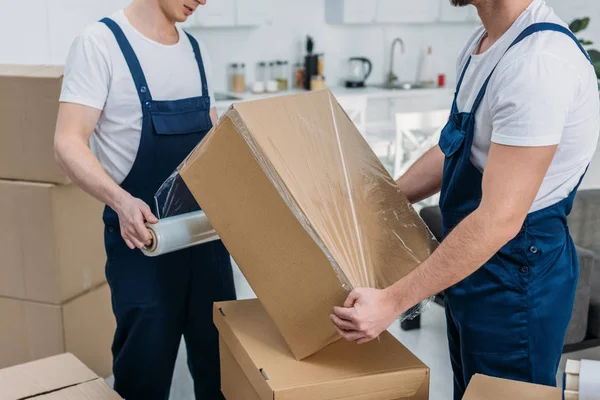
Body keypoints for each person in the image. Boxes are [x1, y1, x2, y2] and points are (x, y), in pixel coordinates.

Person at [331, 0, 599, 398]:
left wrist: (391, 302)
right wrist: (384, 198)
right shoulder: (486, 42)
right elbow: (457, 149)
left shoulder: (537, 64)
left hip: (516, 276)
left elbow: (499, 220)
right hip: (476, 264)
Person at [54, 1, 236, 399]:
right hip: (143, 241)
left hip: (207, 239)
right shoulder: (100, 44)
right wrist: (120, 201)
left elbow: (212, 142)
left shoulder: (195, 50)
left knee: (223, 370)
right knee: (144, 375)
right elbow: (68, 141)